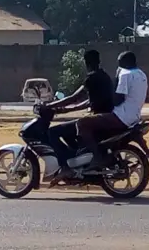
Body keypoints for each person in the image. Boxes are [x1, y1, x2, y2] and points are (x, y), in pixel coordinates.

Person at [45, 49, 115, 180]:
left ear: (86, 62)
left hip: (97, 120)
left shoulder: (92, 77)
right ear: (99, 61)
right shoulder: (104, 76)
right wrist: (63, 110)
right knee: (70, 129)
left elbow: (74, 97)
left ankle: (65, 167)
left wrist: (49, 106)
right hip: (104, 117)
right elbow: (90, 102)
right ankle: (78, 161)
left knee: (52, 132)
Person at [77, 51, 148, 168]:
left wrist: (115, 82)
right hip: (134, 117)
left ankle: (98, 157)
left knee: (82, 123)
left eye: (120, 64)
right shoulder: (141, 74)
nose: (119, 67)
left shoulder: (125, 74)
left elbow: (118, 100)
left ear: (125, 63)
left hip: (120, 117)